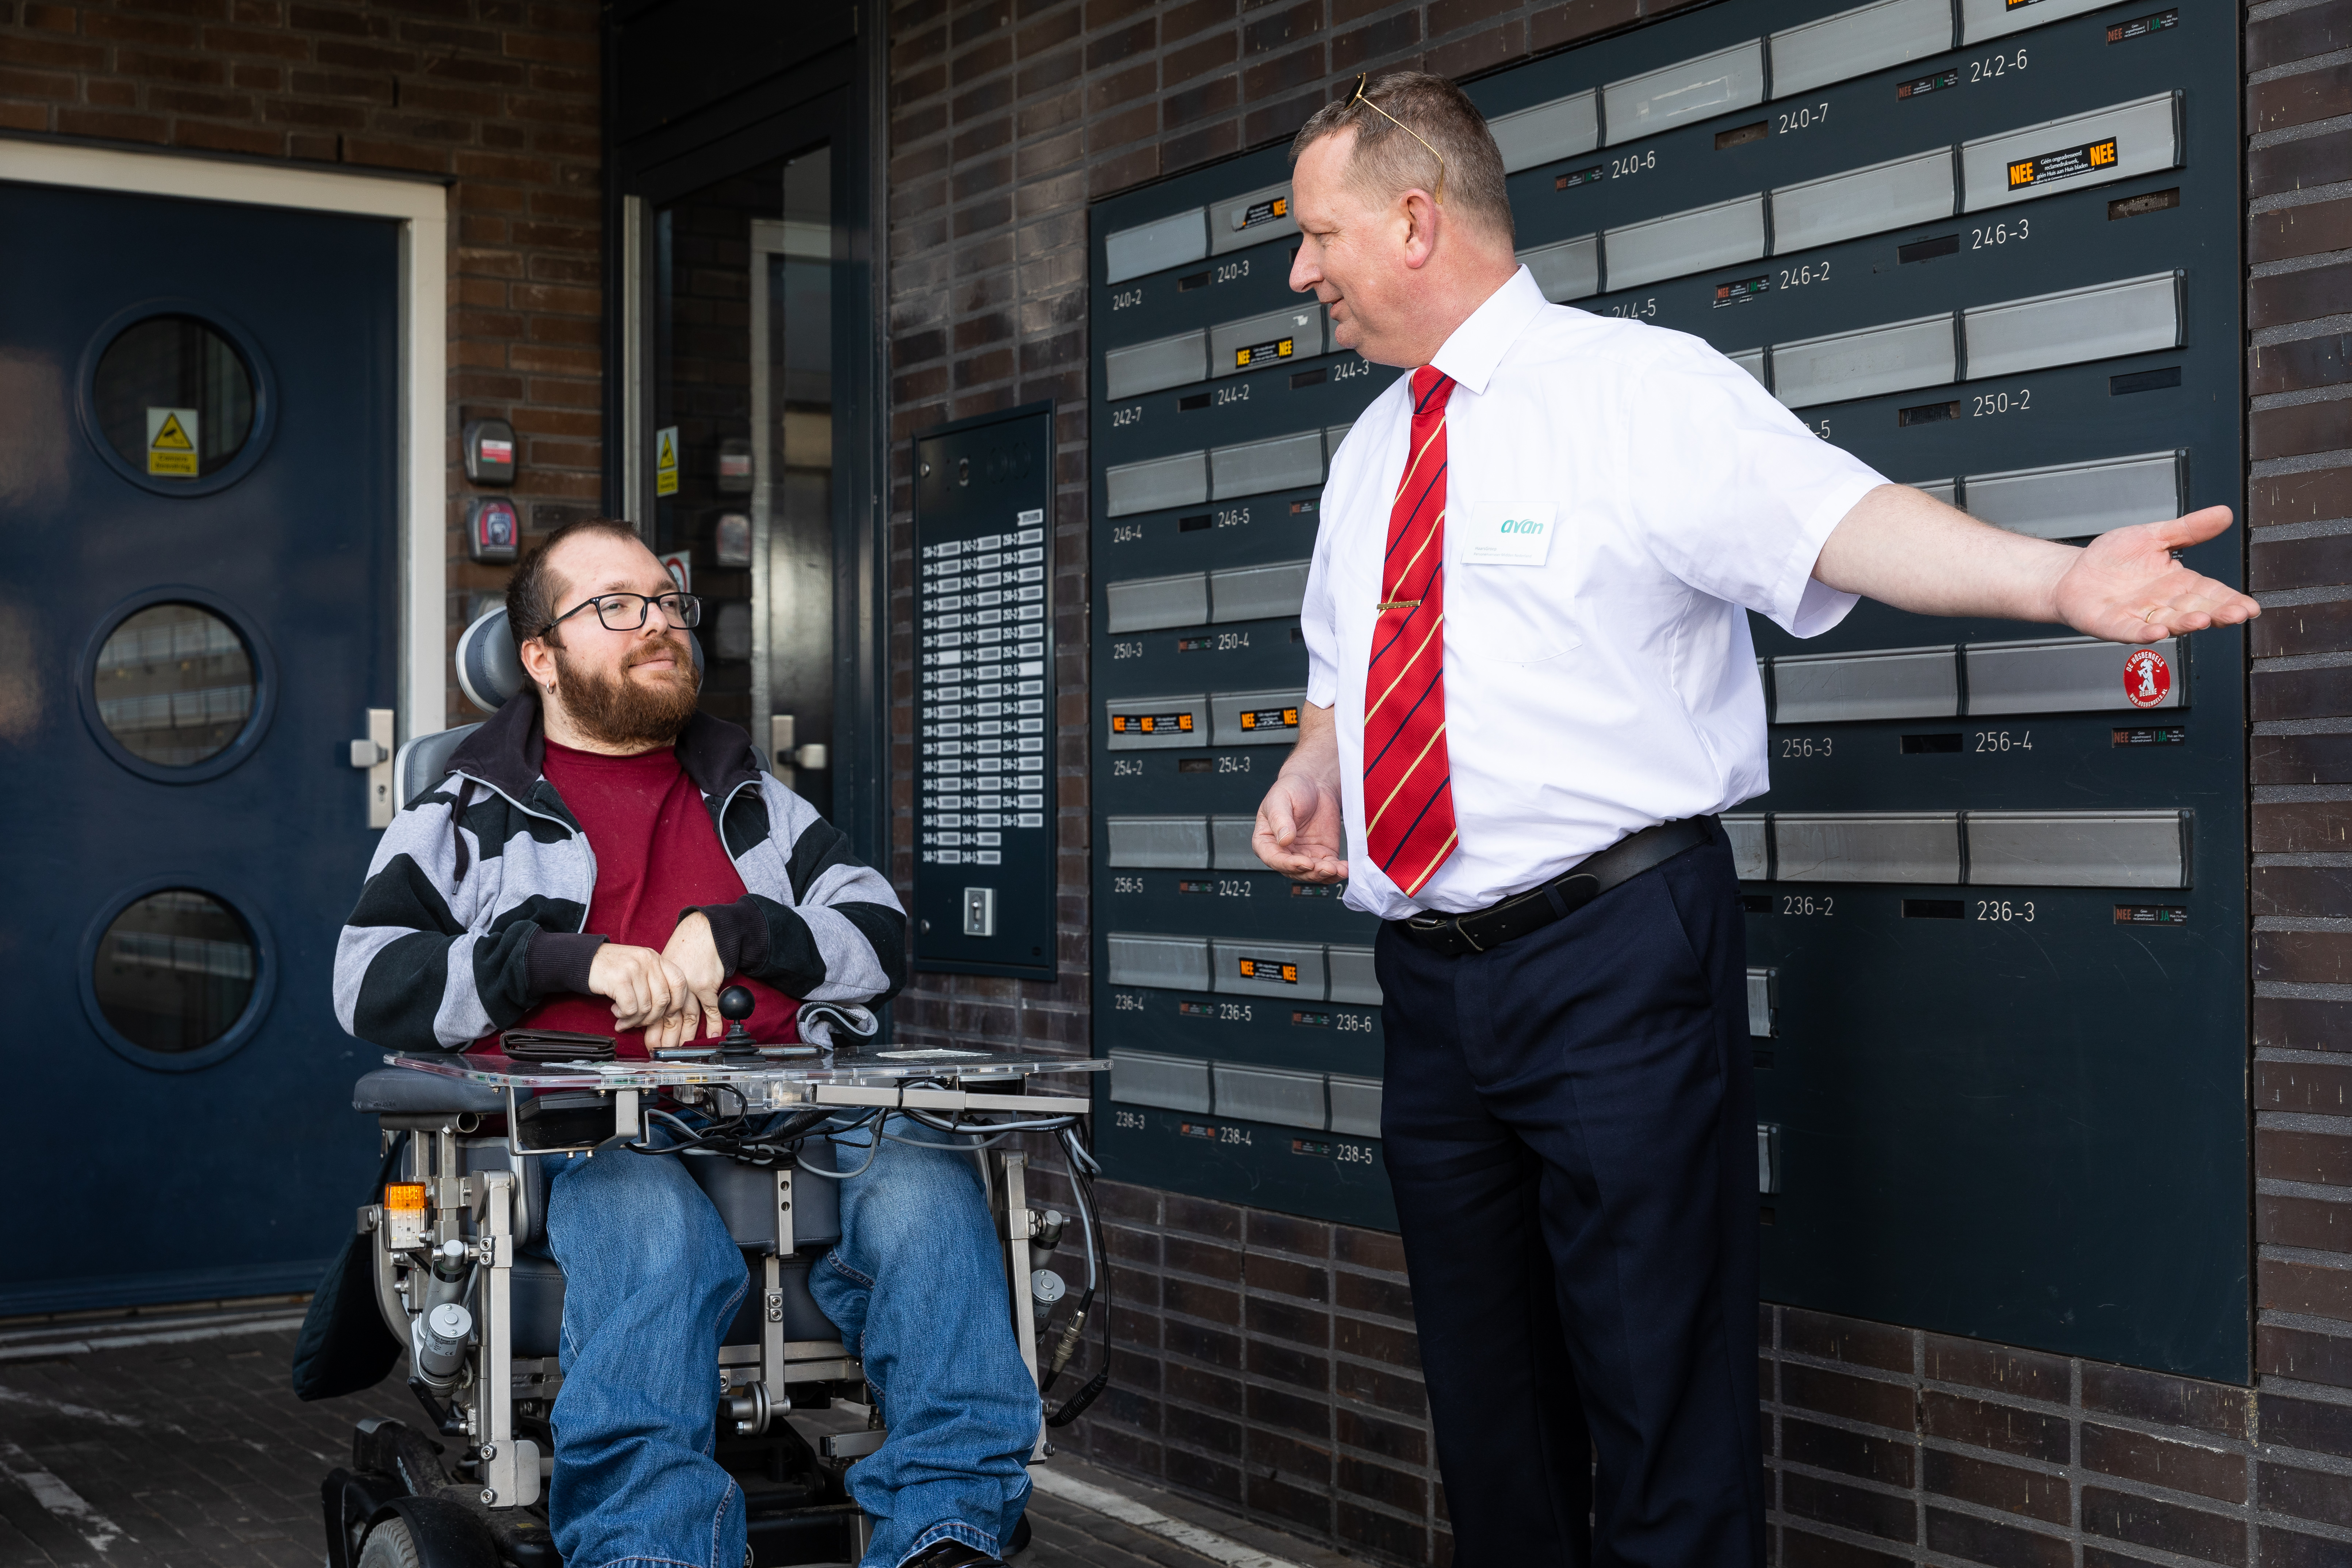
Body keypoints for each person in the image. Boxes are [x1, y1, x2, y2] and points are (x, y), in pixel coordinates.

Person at [1251, 72, 2258, 1567]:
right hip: (1429, 980)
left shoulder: (1637, 391)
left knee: (1660, 1385)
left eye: (1317, 234)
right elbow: (1344, 666)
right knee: (1489, 1407)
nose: (1298, 272)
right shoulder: (1369, 450)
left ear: (1413, 220)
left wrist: (2059, 584)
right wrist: (1314, 764)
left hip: (1611, 959)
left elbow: (1832, 518)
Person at [334, 517, 1038, 1568]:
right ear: (541, 657)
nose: (657, 623)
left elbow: (880, 935)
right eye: (616, 606)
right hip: (582, 1139)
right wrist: (568, 963)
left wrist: (742, 929)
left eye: (667, 603)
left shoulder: (753, 801)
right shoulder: (463, 811)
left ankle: (945, 1534)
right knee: (647, 1223)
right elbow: (368, 978)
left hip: (790, 1118)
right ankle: (652, 1550)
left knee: (929, 1186)